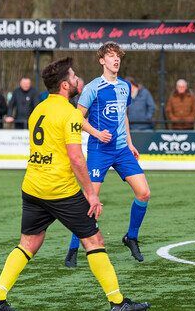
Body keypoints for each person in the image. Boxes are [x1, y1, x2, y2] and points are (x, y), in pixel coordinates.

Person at [0, 57, 149, 311]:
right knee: (95, 240)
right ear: (65, 85)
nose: (78, 80)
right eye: (74, 77)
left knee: (28, 243)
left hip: (32, 187)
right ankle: (118, 303)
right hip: (60, 190)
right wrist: (91, 195)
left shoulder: (39, 109)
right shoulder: (70, 114)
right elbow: (76, 159)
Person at [65, 42, 151, 268]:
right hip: (99, 150)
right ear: (102, 60)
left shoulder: (124, 86)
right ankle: (73, 249)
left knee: (144, 193)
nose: (116, 60)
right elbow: (77, 118)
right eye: (111, 56)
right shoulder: (93, 87)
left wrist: (130, 143)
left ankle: (131, 237)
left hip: (122, 150)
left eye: (118, 57)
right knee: (90, 202)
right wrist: (96, 133)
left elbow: (123, 115)